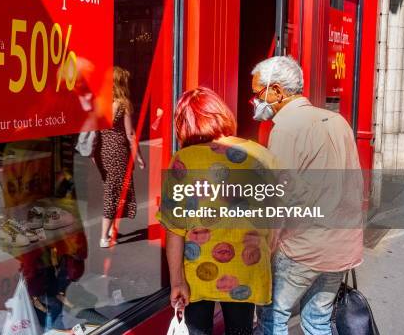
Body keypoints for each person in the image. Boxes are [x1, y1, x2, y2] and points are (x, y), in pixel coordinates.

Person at [250, 56, 363, 335]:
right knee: (318, 321)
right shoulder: (338, 121)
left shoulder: (287, 129)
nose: (254, 100)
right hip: (342, 244)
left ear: (275, 91)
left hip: (303, 246)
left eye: (257, 93)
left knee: (273, 317)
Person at [161, 86, 277, 335]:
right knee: (241, 329)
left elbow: (174, 229)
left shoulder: (184, 160)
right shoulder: (261, 155)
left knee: (198, 330)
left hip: (198, 272)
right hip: (247, 267)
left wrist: (176, 282)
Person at [95, 66, 145, 248]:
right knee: (115, 192)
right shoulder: (123, 105)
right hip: (118, 152)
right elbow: (130, 134)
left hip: (103, 153)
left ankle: (109, 232)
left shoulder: (100, 102)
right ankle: (104, 236)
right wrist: (139, 157)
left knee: (110, 189)